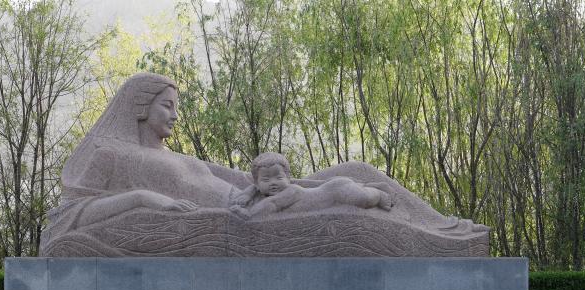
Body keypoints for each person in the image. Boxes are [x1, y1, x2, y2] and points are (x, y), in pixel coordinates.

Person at [41, 72, 489, 256]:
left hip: (261, 193)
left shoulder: (173, 155)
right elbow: (68, 219)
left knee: (359, 169)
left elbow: (240, 178)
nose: (175, 116)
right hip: (254, 212)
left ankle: (444, 228)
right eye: (168, 107)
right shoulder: (111, 155)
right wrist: (141, 197)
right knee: (349, 192)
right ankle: (444, 240)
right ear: (141, 107)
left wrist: (286, 181)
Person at [230, 152, 394, 220]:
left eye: (278, 177)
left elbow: (271, 205)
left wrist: (248, 214)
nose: (273, 183)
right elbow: (255, 188)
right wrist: (247, 194)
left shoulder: (291, 191)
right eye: (266, 180)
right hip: (333, 188)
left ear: (288, 178)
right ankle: (368, 186)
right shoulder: (259, 191)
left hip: (337, 191)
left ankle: (378, 192)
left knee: (363, 198)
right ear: (257, 184)